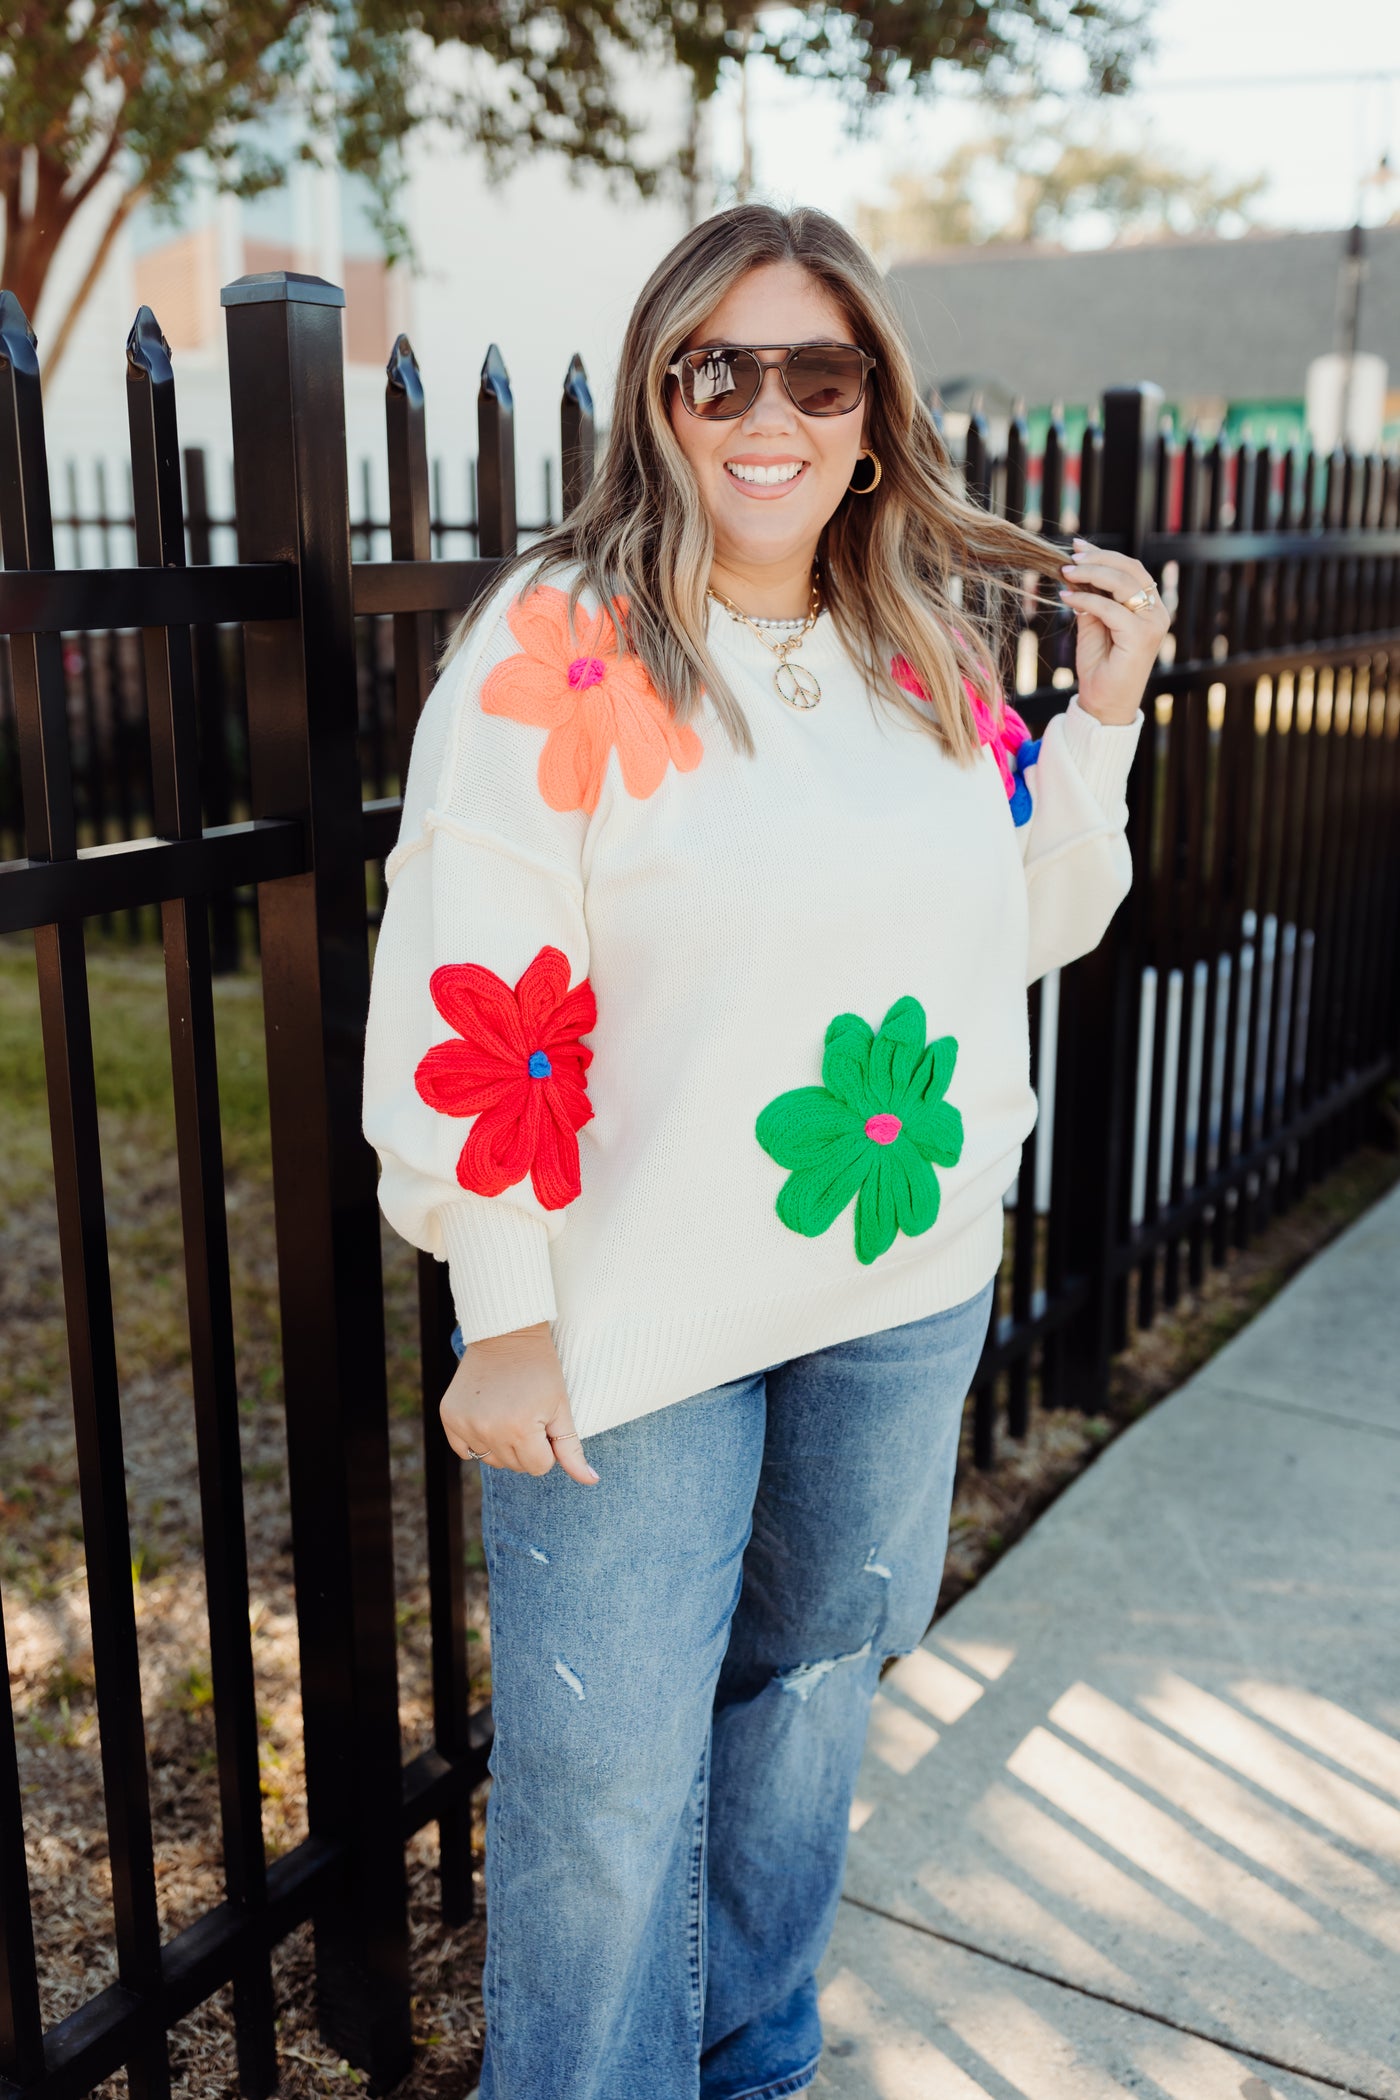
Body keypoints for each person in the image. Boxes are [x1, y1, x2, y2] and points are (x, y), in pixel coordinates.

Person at [362, 202, 1169, 2100]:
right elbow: (481, 982)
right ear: (661, 395)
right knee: (608, 1773)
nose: (768, 412)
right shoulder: (559, 641)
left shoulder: (920, 649)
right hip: (632, 1312)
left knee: (805, 1703)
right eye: (719, 367)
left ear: (873, 408)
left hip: (899, 1281)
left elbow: (1013, 924)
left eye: (817, 369)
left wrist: (1107, 726)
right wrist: (504, 1306)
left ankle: (756, 2068)